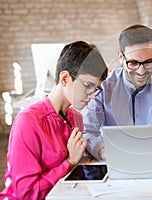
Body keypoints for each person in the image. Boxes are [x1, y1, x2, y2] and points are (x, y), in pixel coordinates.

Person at [0, 41, 108, 200]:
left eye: (96, 89)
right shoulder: (28, 121)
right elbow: (26, 193)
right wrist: (69, 162)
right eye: (87, 86)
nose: (92, 95)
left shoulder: (75, 117)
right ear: (64, 78)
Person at [83, 24, 152, 161]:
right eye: (133, 63)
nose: (141, 71)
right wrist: (104, 152)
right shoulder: (103, 87)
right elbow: (87, 132)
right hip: (114, 160)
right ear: (121, 57)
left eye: (148, 62)